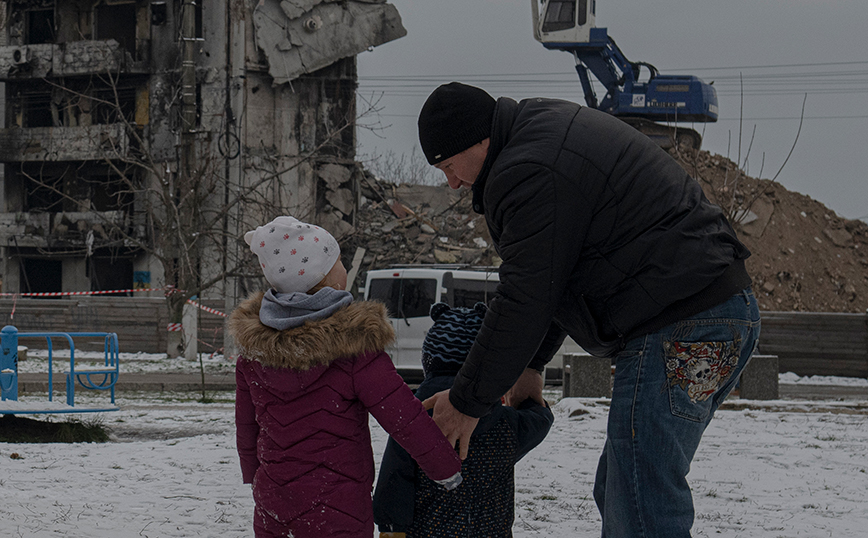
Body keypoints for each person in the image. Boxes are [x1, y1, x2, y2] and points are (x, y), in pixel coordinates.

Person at [416, 82, 761, 538]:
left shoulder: (526, 169)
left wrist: (465, 403)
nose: (453, 182)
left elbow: (527, 294)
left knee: (640, 506)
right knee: (625, 488)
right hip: (712, 312)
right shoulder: (540, 132)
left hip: (682, 323)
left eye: (448, 165)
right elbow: (561, 273)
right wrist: (532, 364)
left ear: (478, 140)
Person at [229, 216, 462, 538]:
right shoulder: (354, 349)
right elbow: (403, 416)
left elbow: (247, 422)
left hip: (273, 501)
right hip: (340, 504)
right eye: (338, 261)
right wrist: (444, 467)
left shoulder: (254, 353)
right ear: (327, 278)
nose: (344, 268)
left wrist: (252, 472)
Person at [373, 301, 553, 538]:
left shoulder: (414, 417)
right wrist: (529, 401)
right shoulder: (506, 423)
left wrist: (392, 528)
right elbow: (539, 421)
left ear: (429, 362)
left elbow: (395, 478)